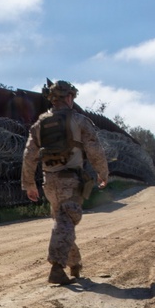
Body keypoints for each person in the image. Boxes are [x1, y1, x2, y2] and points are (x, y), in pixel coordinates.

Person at [21, 80, 109, 285]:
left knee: (63, 222)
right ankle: (57, 268)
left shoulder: (39, 124)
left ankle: (74, 263)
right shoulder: (79, 121)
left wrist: (29, 184)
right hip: (70, 180)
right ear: (69, 97)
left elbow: (29, 155)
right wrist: (103, 173)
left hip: (49, 181)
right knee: (66, 220)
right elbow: (95, 150)